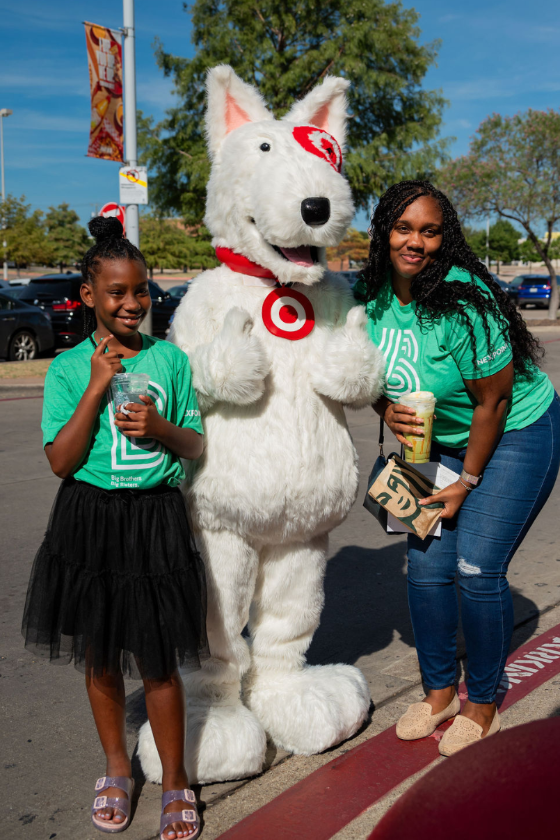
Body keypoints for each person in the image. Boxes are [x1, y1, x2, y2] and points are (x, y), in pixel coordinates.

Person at [355, 180, 560, 756]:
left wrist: (466, 483)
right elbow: (365, 376)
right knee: (424, 570)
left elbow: (491, 402)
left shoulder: (464, 300)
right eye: (403, 227)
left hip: (516, 431)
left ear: (445, 239)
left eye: (429, 230)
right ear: (383, 231)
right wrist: (382, 408)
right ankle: (440, 691)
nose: (414, 241)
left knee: (475, 568)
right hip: (431, 442)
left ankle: (484, 701)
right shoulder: (368, 298)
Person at [22, 216, 207, 838]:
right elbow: (60, 461)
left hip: (154, 518)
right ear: (89, 297)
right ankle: (116, 767)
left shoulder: (170, 360)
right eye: (118, 293)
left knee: (158, 661)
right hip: (90, 519)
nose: (133, 303)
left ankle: (177, 781)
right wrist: (97, 387)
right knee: (100, 656)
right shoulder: (70, 367)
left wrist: (158, 430)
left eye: (141, 291)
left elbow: (195, 444)